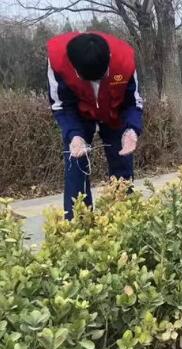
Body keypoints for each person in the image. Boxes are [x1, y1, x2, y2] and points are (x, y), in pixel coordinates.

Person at [47, 32, 143, 220]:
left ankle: (126, 223)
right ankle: (79, 225)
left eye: (100, 78)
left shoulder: (125, 60)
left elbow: (133, 102)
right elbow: (61, 105)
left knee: (122, 164)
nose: (95, 84)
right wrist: (74, 135)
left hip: (114, 111)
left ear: (109, 60)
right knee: (75, 166)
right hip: (79, 113)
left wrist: (131, 130)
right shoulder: (57, 62)